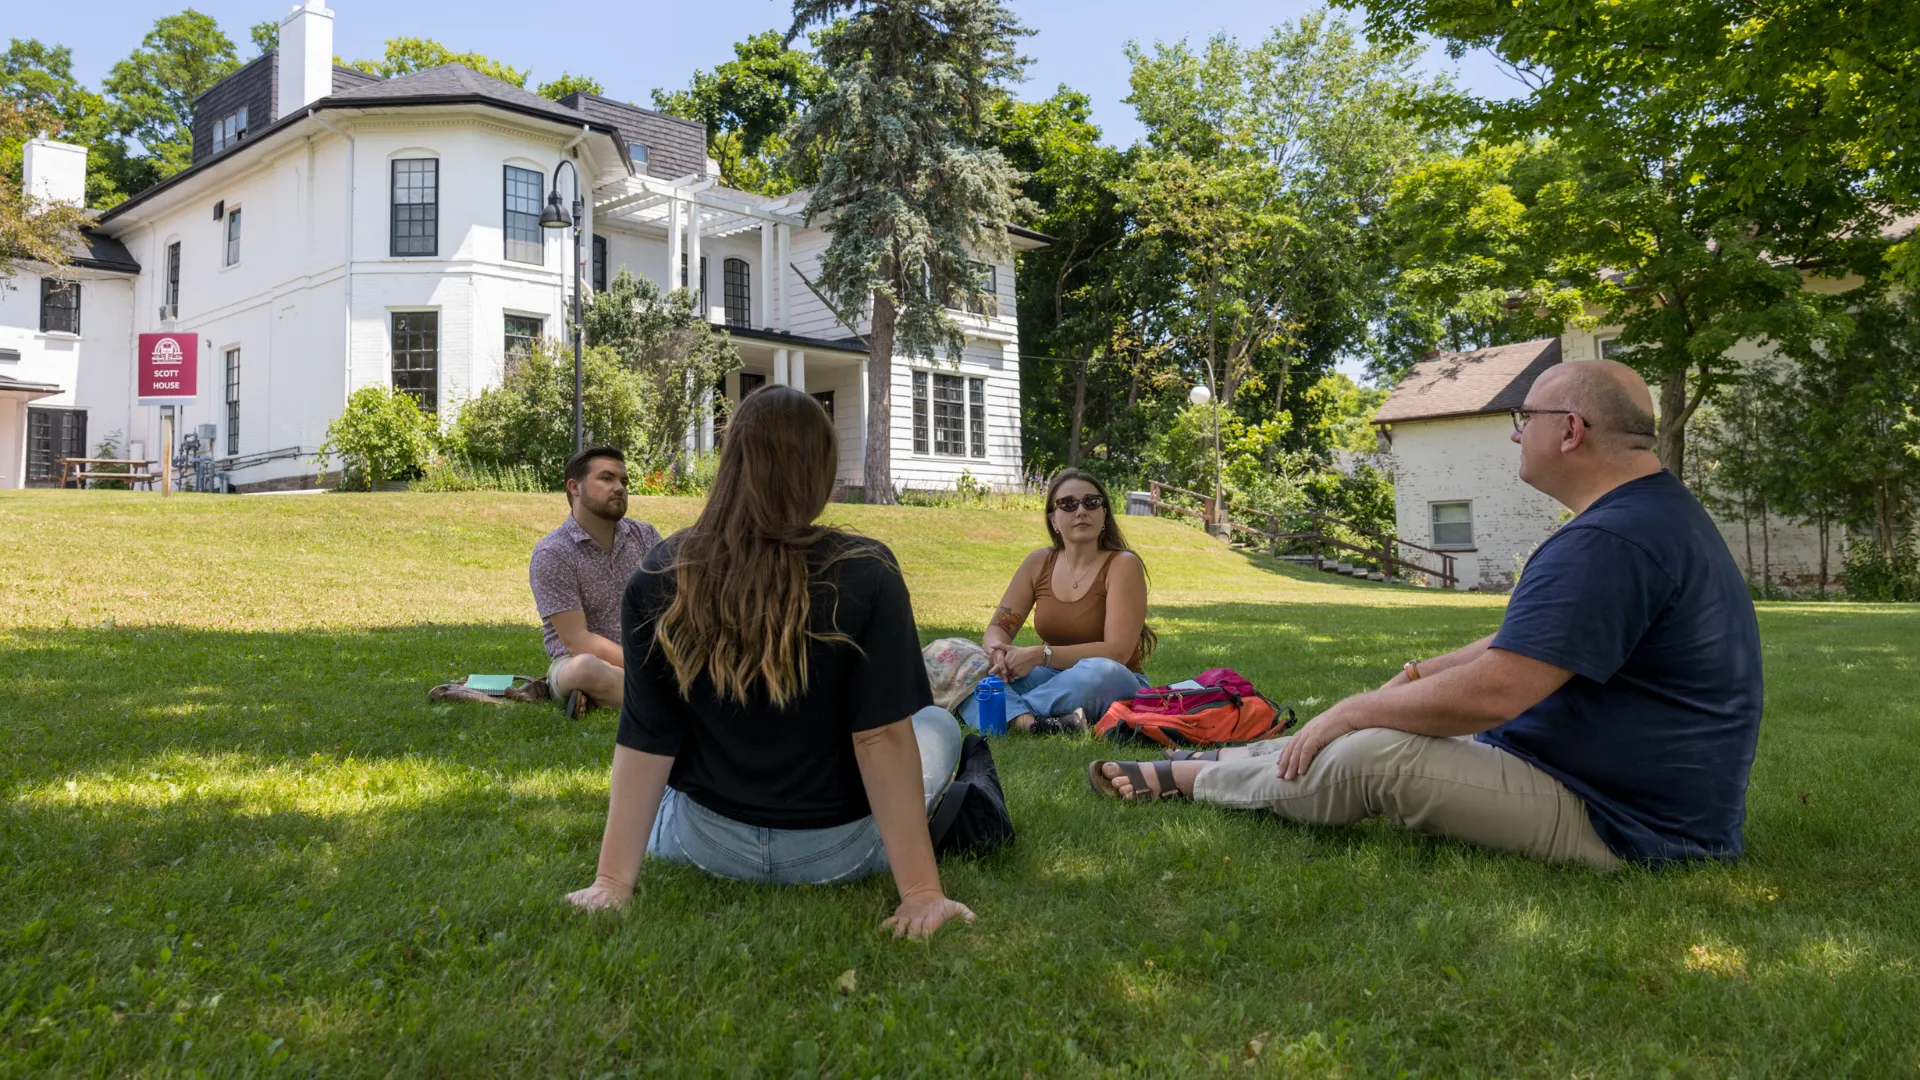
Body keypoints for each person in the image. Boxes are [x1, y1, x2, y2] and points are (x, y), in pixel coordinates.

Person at [1091, 360, 1764, 870]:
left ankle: (1193, 779)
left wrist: (1358, 707)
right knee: (1364, 727)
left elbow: (1496, 692)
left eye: (1522, 418)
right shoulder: (1644, 516)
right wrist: (1416, 673)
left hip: (1626, 821)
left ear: (1571, 431)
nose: (1515, 435)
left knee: (1377, 753)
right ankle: (1226, 766)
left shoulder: (1610, 539)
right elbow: (1525, 642)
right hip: (1599, 784)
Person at [564, 386, 973, 939]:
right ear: (821, 472)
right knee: (938, 723)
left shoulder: (662, 573)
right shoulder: (868, 570)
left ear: (731, 465)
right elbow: (879, 738)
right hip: (840, 850)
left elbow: (648, 736)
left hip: (703, 844)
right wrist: (923, 894)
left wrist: (612, 882)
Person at [970, 468, 1156, 734]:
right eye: (1067, 504)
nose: (1081, 510)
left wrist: (1039, 655)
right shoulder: (1038, 563)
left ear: (1103, 514)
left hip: (1108, 682)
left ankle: (998, 710)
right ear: (1054, 520)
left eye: (1091, 502)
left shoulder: (1123, 565)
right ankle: (1034, 724)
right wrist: (997, 653)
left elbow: (1117, 652)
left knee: (1101, 672)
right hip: (1050, 677)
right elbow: (999, 627)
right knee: (964, 658)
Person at [529, 446, 663, 719]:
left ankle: (611, 695)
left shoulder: (645, 537)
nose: (619, 488)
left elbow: (673, 607)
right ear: (574, 487)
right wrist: (650, 668)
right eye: (607, 478)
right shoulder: (553, 553)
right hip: (578, 661)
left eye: (624, 481)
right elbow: (578, 641)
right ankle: (675, 699)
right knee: (585, 670)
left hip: (651, 657)